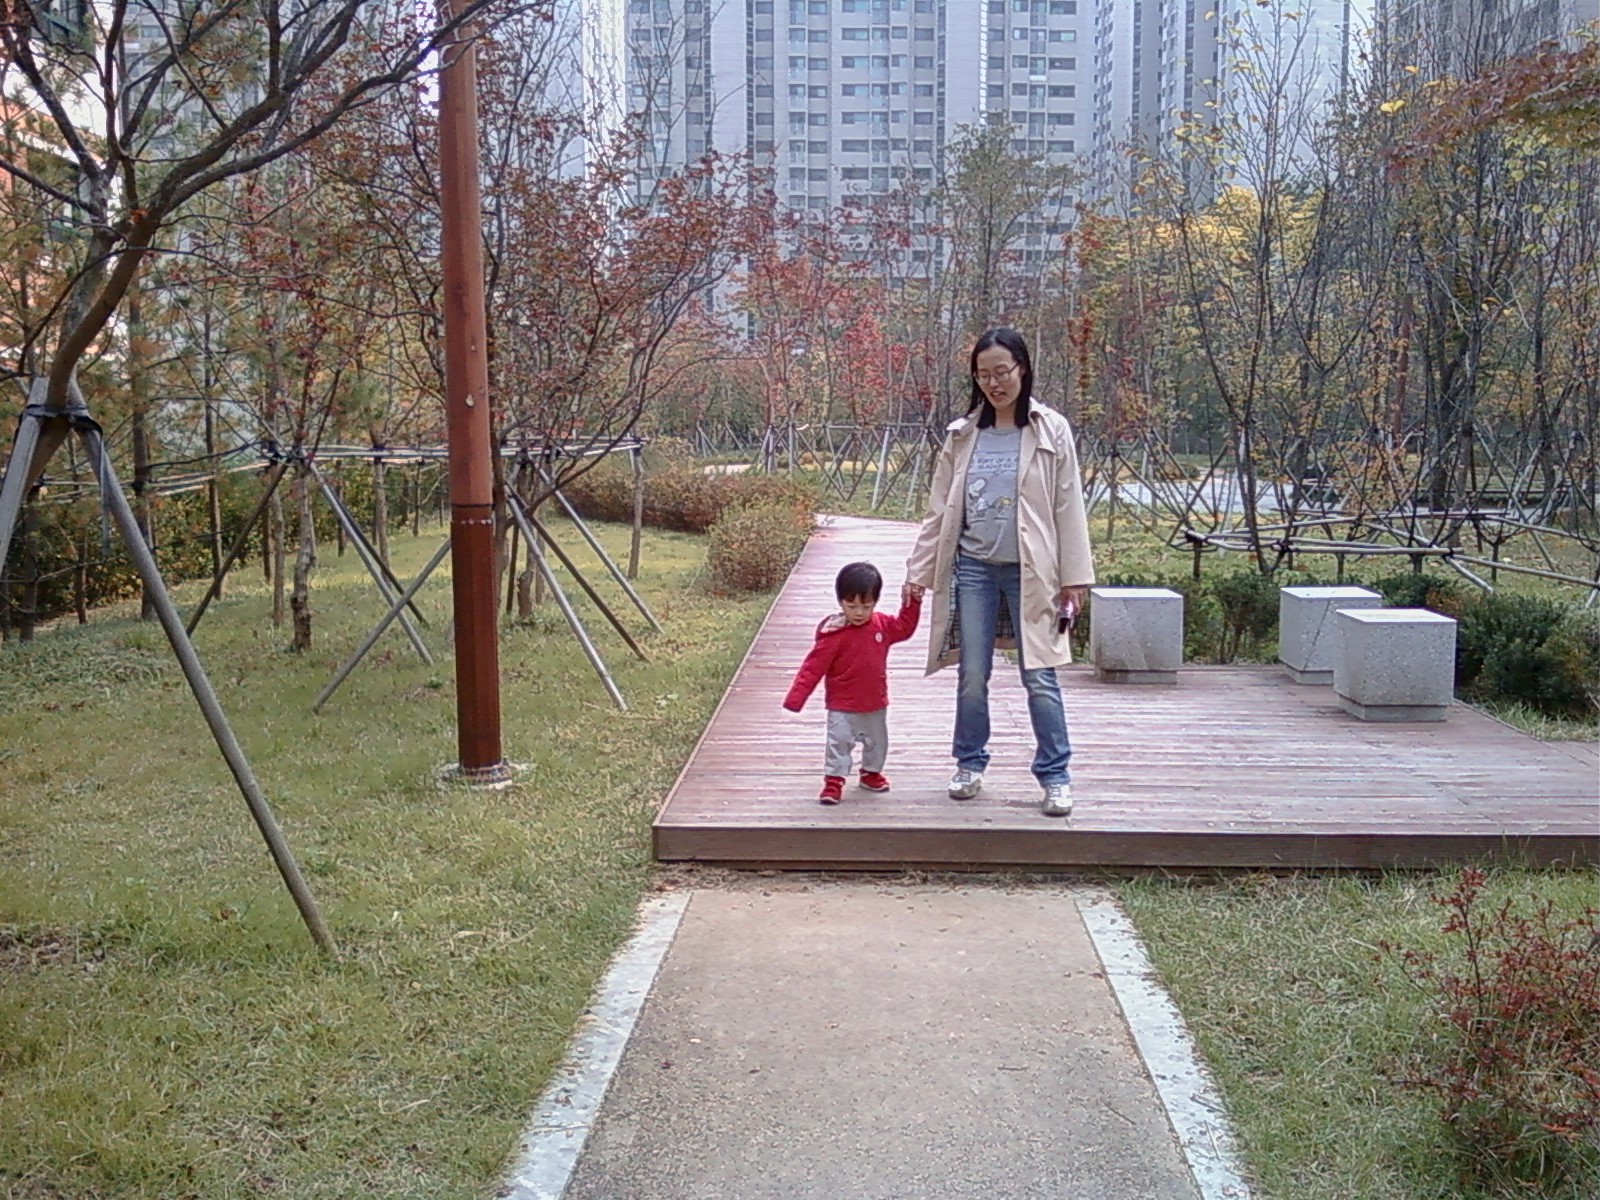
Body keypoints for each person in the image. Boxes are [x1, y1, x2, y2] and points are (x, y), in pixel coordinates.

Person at [903, 326, 1094, 817]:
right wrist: (918, 571)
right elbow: (939, 510)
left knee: (1039, 676)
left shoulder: (1050, 429)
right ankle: (969, 763)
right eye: (983, 374)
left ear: (1022, 369)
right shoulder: (963, 434)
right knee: (972, 673)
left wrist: (1074, 577)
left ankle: (1055, 775)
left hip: (1032, 571)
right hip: (974, 569)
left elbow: (1069, 506)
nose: (994, 383)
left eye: (1002, 372)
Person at [783, 561, 922, 805]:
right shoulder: (833, 635)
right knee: (838, 742)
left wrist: (912, 602)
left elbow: (905, 628)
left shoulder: (882, 625)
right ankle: (834, 781)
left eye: (866, 606)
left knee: (877, 742)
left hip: (875, 702)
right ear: (841, 602)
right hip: (841, 705)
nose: (859, 613)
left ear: (875, 602)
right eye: (852, 606)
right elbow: (812, 668)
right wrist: (796, 698)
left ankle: (871, 773)